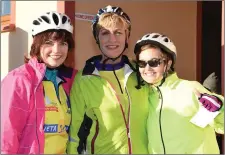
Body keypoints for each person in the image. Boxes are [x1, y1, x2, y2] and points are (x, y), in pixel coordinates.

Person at [67, 5, 149, 154]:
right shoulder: (84, 79)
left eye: (118, 32)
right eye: (105, 33)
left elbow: (169, 87)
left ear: (127, 37)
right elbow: (74, 134)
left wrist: (196, 89)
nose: (112, 39)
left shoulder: (142, 71)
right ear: (97, 38)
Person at [134, 32, 224, 154]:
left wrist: (220, 108)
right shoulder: (145, 96)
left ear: (168, 63)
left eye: (154, 62)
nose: (147, 68)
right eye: (141, 63)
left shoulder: (190, 89)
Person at [1, 11, 77, 154]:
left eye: (63, 43)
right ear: (37, 45)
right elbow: (6, 137)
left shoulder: (70, 81)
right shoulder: (19, 80)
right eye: (49, 43)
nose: (56, 50)